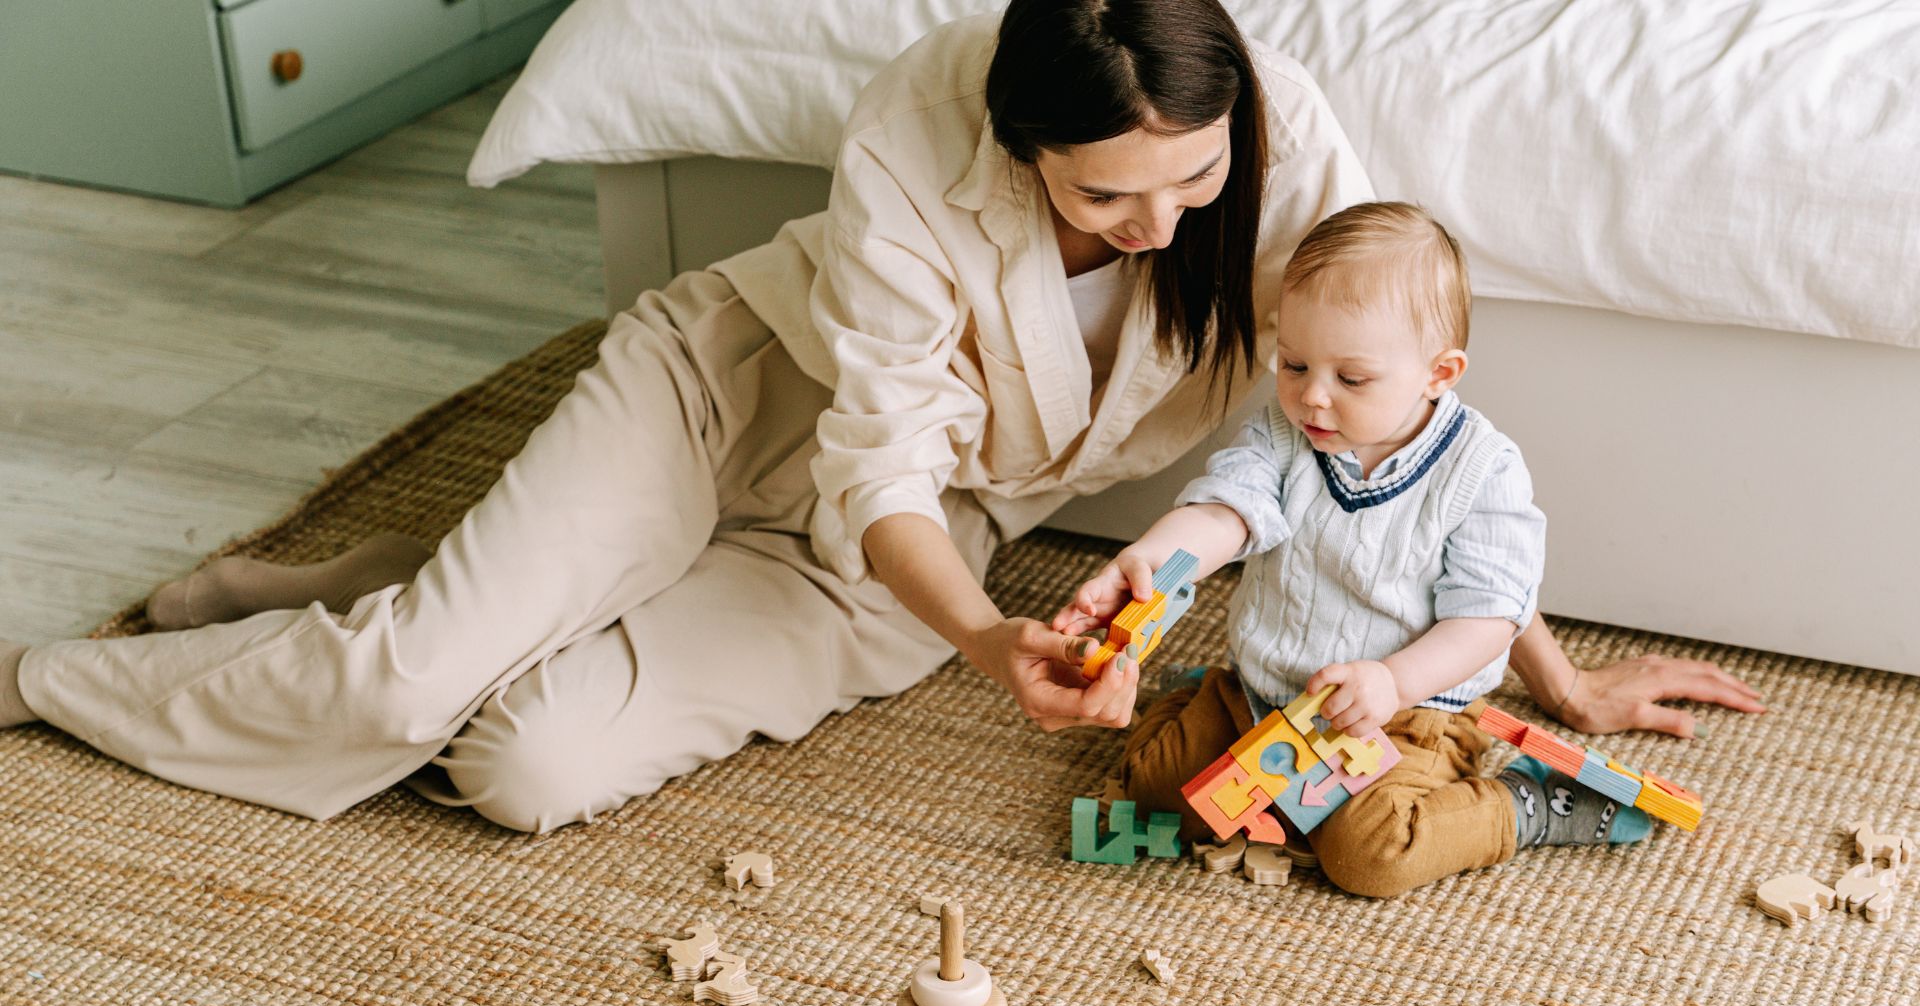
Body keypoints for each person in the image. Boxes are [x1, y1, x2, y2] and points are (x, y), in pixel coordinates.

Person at [0, 1, 1760, 835]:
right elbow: (879, 453)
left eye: (1194, 182)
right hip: (738, 402)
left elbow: (1404, 456)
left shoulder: (1280, 145)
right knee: (400, 691)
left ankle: (391, 585)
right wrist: (992, 645)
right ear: (1020, 145)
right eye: (1108, 196)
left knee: (518, 770)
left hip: (934, 536)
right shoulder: (917, 125)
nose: (1163, 228)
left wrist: (1556, 679)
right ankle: (48, 681)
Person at [1058, 202, 1682, 898]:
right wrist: (1148, 558)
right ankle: (1195, 694)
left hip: (1410, 715)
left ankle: (1524, 806)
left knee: (1370, 854)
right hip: (1262, 693)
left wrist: (1396, 682)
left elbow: (1489, 618)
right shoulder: (1282, 435)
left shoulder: (1482, 469)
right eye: (1293, 364)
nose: (1312, 398)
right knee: (1153, 789)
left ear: (1439, 373)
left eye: (1351, 379)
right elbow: (1225, 511)